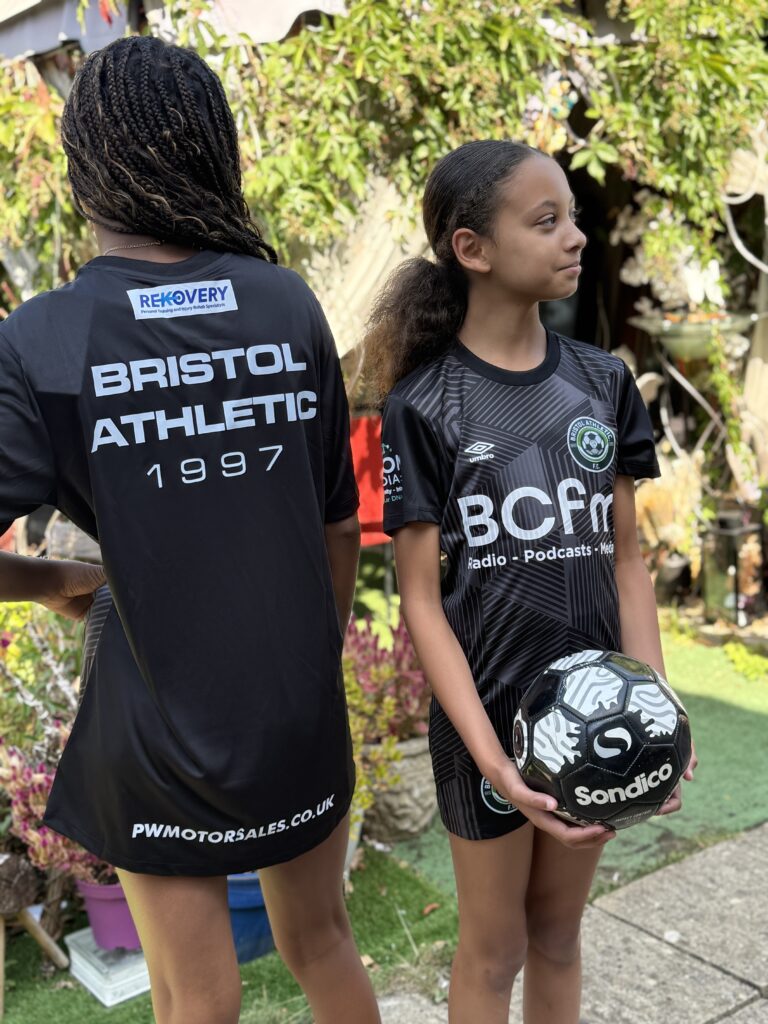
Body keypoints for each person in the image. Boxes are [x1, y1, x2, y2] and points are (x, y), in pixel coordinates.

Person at [0, 36, 381, 1024]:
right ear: (215, 149)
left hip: (152, 721)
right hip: (294, 709)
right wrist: (310, 658)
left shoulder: (43, 339)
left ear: (85, 169)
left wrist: (51, 583)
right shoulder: (285, 302)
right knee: (325, 943)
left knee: (197, 999)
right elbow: (339, 525)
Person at [365, 139, 697, 1024]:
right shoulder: (425, 405)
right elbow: (422, 602)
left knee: (556, 933)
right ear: (472, 248)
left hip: (596, 720)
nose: (575, 237)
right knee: (494, 949)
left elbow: (626, 560)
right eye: (546, 221)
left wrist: (656, 705)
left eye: (572, 218)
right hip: (486, 728)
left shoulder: (602, 382)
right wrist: (494, 761)